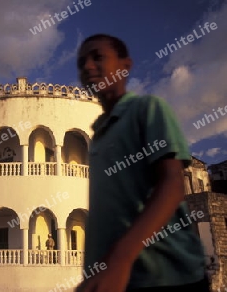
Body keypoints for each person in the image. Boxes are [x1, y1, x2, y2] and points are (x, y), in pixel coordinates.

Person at [75, 34, 208, 292]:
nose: (88, 67)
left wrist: (120, 259)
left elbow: (172, 184)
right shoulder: (99, 134)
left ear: (125, 65)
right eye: (81, 63)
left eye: (98, 57)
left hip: (169, 278)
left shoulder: (147, 109)